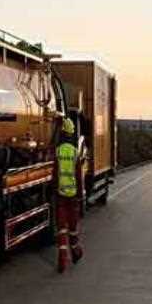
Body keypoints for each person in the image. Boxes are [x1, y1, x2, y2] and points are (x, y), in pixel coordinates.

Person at [55, 117, 84, 273]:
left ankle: (62, 261)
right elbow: (79, 176)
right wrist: (81, 195)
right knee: (72, 227)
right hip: (72, 196)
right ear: (72, 134)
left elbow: (54, 174)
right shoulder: (74, 152)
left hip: (60, 195)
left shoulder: (58, 151)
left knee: (61, 228)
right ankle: (76, 252)